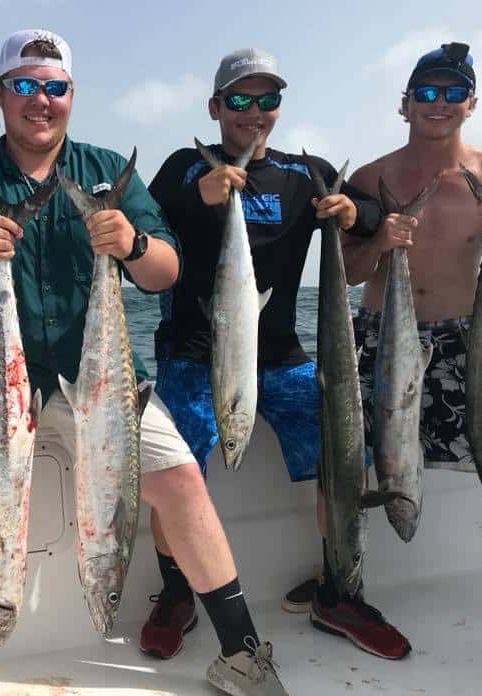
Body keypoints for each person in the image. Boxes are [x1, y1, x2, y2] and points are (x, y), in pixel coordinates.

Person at [0, 29, 303, 696]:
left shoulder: (108, 169)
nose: (40, 100)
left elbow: (165, 270)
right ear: (0, 94)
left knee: (180, 478)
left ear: (71, 96)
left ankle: (240, 653)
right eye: (25, 85)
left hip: (101, 378)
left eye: (55, 87)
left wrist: (132, 242)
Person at [144, 48, 413, 662]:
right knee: (173, 471)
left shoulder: (304, 173)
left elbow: (375, 214)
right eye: (239, 100)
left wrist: (353, 211)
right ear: (215, 108)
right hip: (195, 354)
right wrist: (200, 197)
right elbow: (149, 224)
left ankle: (339, 589)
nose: (254, 112)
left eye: (267, 100)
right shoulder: (186, 166)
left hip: (283, 354)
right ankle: (176, 591)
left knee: (345, 457)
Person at [343, 43, 482, 551]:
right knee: (353, 462)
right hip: (382, 337)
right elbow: (348, 272)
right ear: (404, 103)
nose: (440, 102)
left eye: (456, 93)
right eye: (427, 91)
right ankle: (342, 578)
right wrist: (380, 243)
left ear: (472, 104)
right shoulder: (368, 179)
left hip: (467, 342)